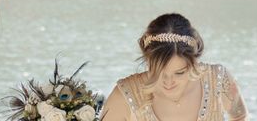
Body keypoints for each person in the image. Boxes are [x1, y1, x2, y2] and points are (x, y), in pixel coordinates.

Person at [101, 13, 249, 121]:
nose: (168, 82)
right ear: (148, 60)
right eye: (159, 72)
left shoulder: (218, 80)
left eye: (179, 73)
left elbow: (240, 117)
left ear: (193, 62)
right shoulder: (125, 94)